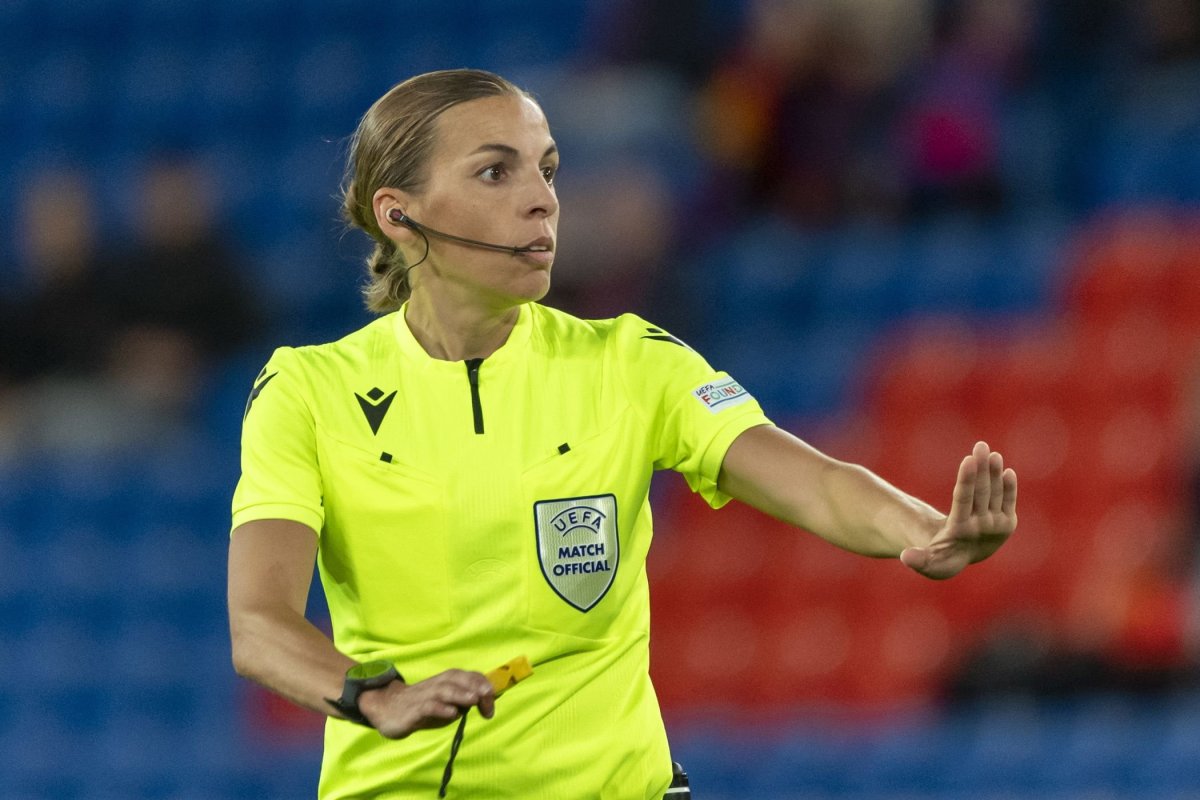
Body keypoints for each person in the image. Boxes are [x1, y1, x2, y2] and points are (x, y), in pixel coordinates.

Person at [227, 68, 1018, 800]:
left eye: (549, 168)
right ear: (398, 214)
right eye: (496, 171)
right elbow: (260, 623)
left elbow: (815, 479)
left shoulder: (632, 361)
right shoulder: (308, 390)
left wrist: (923, 528)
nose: (542, 200)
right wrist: (380, 696)